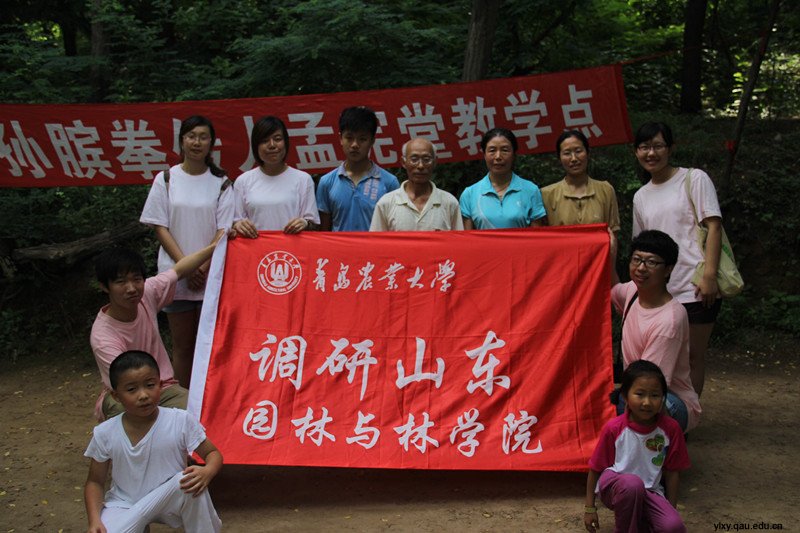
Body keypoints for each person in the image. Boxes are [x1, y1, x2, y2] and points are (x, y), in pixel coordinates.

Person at [140, 115, 234, 388]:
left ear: (211, 143)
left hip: (211, 276)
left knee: (211, 346)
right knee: (182, 347)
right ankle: (183, 401)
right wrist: (187, 267)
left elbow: (224, 230)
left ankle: (209, 400)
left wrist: (201, 267)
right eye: (191, 136)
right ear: (181, 140)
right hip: (175, 276)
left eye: (203, 137)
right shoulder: (166, 179)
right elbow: (160, 227)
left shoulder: (221, 182)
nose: (197, 142)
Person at [84, 351, 222, 533]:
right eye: (131, 389)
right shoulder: (105, 432)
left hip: (171, 497)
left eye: (150, 385)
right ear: (116, 396)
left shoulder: (180, 420)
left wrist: (207, 471)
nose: (143, 395)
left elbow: (212, 453)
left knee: (189, 481)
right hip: (124, 504)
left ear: (161, 385)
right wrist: (94, 520)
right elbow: (95, 481)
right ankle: (139, 525)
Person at [632, 121, 723, 396]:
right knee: (660, 359)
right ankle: (662, 414)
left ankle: (688, 414)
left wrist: (709, 275)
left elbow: (714, 226)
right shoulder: (641, 196)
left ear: (670, 148)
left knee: (692, 357)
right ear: (636, 152)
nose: (651, 153)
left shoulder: (694, 179)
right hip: (659, 291)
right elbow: (641, 245)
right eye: (644, 147)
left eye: (658, 146)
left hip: (694, 286)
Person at [90, 242, 219, 421]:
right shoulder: (103, 337)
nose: (131, 288)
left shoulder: (146, 294)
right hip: (126, 393)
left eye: (136, 279)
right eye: (121, 282)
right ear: (105, 286)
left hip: (163, 387)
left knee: (199, 413)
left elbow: (180, 270)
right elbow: (123, 383)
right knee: (136, 424)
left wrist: (217, 244)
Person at [610, 230, 701, 432]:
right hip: (637, 387)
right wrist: (610, 255)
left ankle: (662, 439)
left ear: (668, 269)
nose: (641, 268)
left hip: (668, 398)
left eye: (651, 262)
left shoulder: (669, 320)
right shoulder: (633, 291)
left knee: (625, 403)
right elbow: (610, 289)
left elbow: (649, 383)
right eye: (637, 260)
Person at [583, 360, 690, 533]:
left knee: (673, 527)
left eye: (655, 395)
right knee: (632, 485)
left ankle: (642, 519)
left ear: (663, 398)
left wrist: (670, 510)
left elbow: (672, 473)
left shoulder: (671, 429)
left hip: (651, 491)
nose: (647, 402)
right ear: (625, 396)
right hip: (616, 487)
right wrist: (590, 508)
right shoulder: (614, 428)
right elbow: (595, 469)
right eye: (640, 394)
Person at [231, 116, 319, 237]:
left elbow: (313, 224)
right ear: (256, 146)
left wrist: (304, 223)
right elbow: (234, 222)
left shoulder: (303, 179)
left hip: (293, 248)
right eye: (264, 141)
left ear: (286, 142)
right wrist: (238, 224)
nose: (272, 145)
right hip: (255, 248)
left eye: (277, 139)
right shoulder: (242, 181)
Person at [316, 106, 400, 231]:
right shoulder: (327, 182)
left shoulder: (389, 183)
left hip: (376, 244)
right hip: (339, 245)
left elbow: (394, 228)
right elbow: (324, 232)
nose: (355, 145)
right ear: (340, 138)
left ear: (372, 141)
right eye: (349, 138)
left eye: (362, 139)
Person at [459, 128, 547, 229]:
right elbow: (466, 236)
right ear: (484, 155)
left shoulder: (531, 190)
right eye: (492, 150)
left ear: (514, 154)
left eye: (505, 150)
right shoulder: (470, 194)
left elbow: (536, 236)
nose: (498, 157)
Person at [370, 138, 463, 231]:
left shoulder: (449, 203)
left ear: (435, 162)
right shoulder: (386, 203)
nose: (420, 166)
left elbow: (459, 239)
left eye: (426, 159)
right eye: (414, 159)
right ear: (403, 162)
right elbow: (375, 239)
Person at [541, 130, 620, 232]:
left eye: (578, 151)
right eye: (567, 153)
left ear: (588, 153)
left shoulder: (606, 190)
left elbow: (613, 232)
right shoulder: (547, 195)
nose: (574, 158)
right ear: (559, 158)